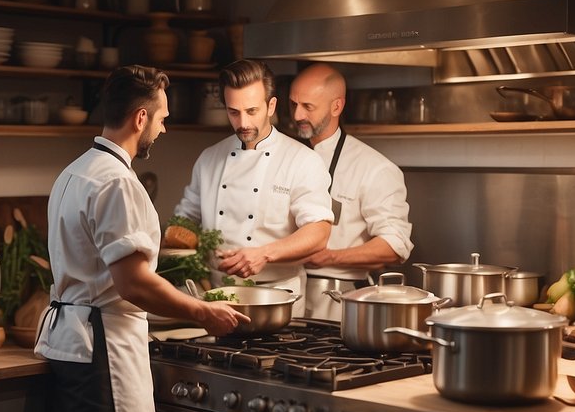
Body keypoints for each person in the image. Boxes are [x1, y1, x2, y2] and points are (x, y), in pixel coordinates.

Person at [35, 65, 249, 412]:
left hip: (75, 340)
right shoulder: (118, 183)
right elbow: (133, 282)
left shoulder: (76, 170)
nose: (164, 128)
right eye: (162, 119)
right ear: (140, 117)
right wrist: (202, 309)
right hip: (103, 352)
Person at [173, 59, 334, 294]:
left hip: (277, 294)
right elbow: (185, 221)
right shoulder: (209, 158)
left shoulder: (302, 161)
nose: (243, 123)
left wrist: (264, 253)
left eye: (252, 111)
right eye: (233, 112)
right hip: (216, 292)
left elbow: (318, 233)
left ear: (271, 106)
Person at [288, 63, 414, 320]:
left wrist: (330, 257)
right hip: (283, 293)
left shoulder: (375, 168)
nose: (297, 115)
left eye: (308, 107)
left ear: (337, 106)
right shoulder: (284, 156)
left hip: (337, 300)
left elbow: (395, 245)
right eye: (293, 105)